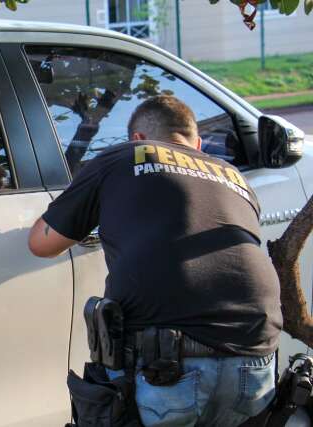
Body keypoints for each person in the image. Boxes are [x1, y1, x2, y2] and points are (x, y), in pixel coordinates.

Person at [28, 95, 282, 427]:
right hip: (256, 362)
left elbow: (41, 243)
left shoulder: (120, 157)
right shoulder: (234, 176)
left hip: (168, 367)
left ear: (137, 139)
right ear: (198, 144)